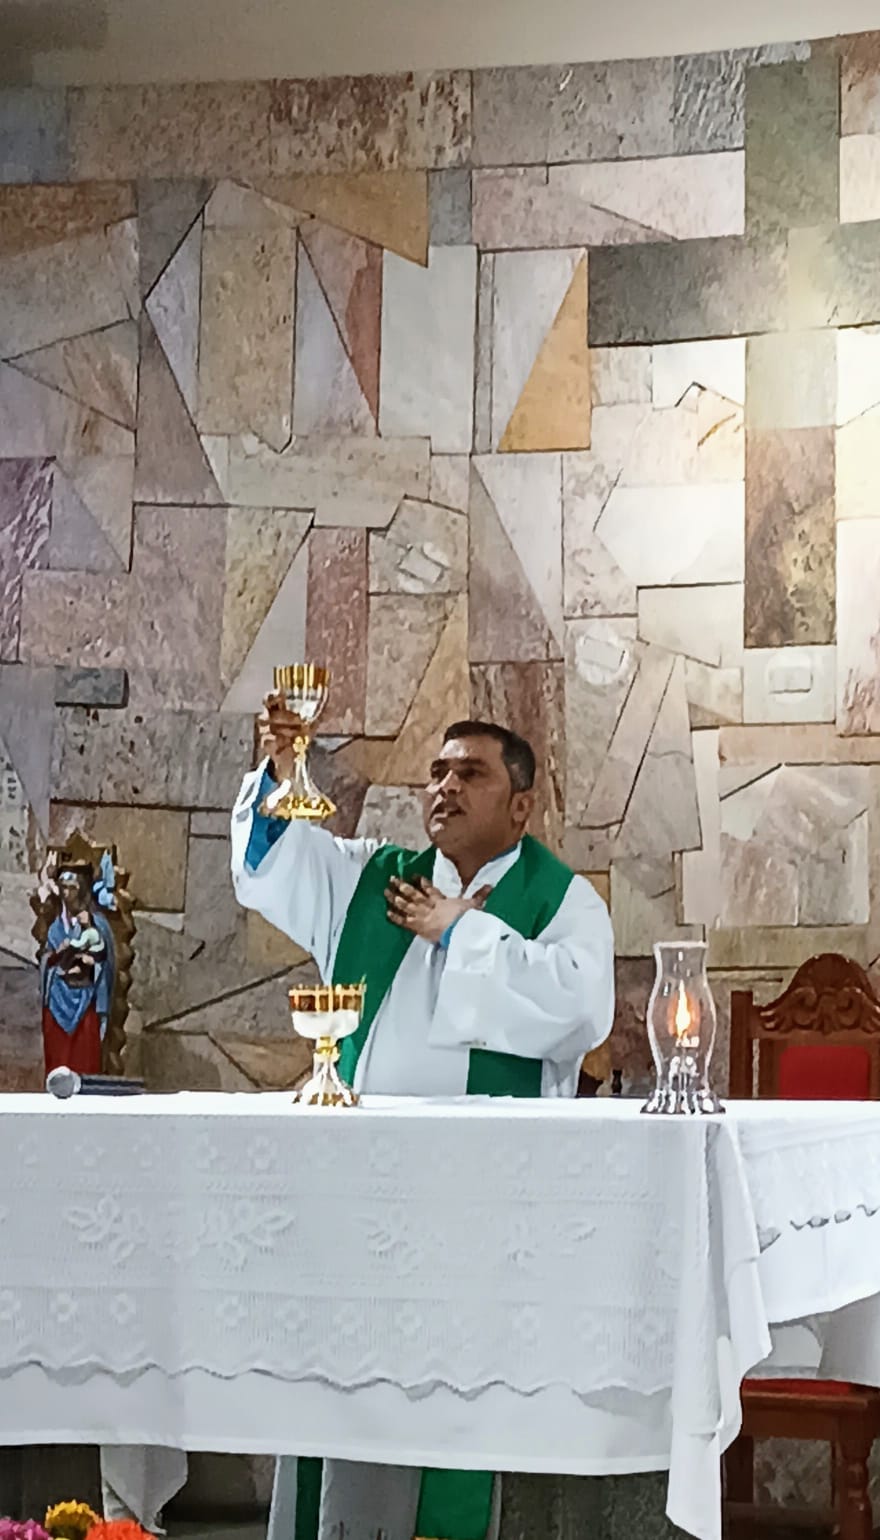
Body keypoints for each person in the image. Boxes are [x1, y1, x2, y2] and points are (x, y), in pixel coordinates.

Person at [230, 697, 616, 1540]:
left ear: (521, 805)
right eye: (437, 772)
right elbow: (275, 867)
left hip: (481, 1201)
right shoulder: (375, 877)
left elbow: (581, 1009)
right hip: (360, 1190)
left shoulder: (562, 902)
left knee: (454, 1393)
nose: (444, 787)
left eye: (470, 773)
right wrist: (281, 775)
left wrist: (459, 933)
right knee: (341, 1377)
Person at [40, 868, 114, 1076]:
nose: (66, 893)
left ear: (82, 891)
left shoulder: (97, 925)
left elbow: (106, 964)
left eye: (72, 888)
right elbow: (46, 960)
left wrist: (90, 964)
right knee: (58, 1062)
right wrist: (55, 956)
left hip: (85, 1000)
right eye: (63, 888)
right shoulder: (55, 927)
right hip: (57, 1001)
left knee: (84, 1061)